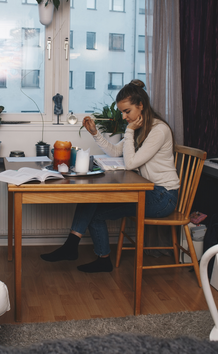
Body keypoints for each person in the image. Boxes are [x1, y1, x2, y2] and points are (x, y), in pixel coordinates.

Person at [40, 80, 180, 273]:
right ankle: (76, 247)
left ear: (141, 105)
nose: (123, 117)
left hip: (163, 197)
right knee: (91, 197)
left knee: (96, 210)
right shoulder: (141, 127)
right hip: (148, 190)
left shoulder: (158, 130)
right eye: (122, 112)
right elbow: (115, 152)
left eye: (127, 111)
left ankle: (88, 253)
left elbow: (130, 163)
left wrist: (130, 132)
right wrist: (96, 134)